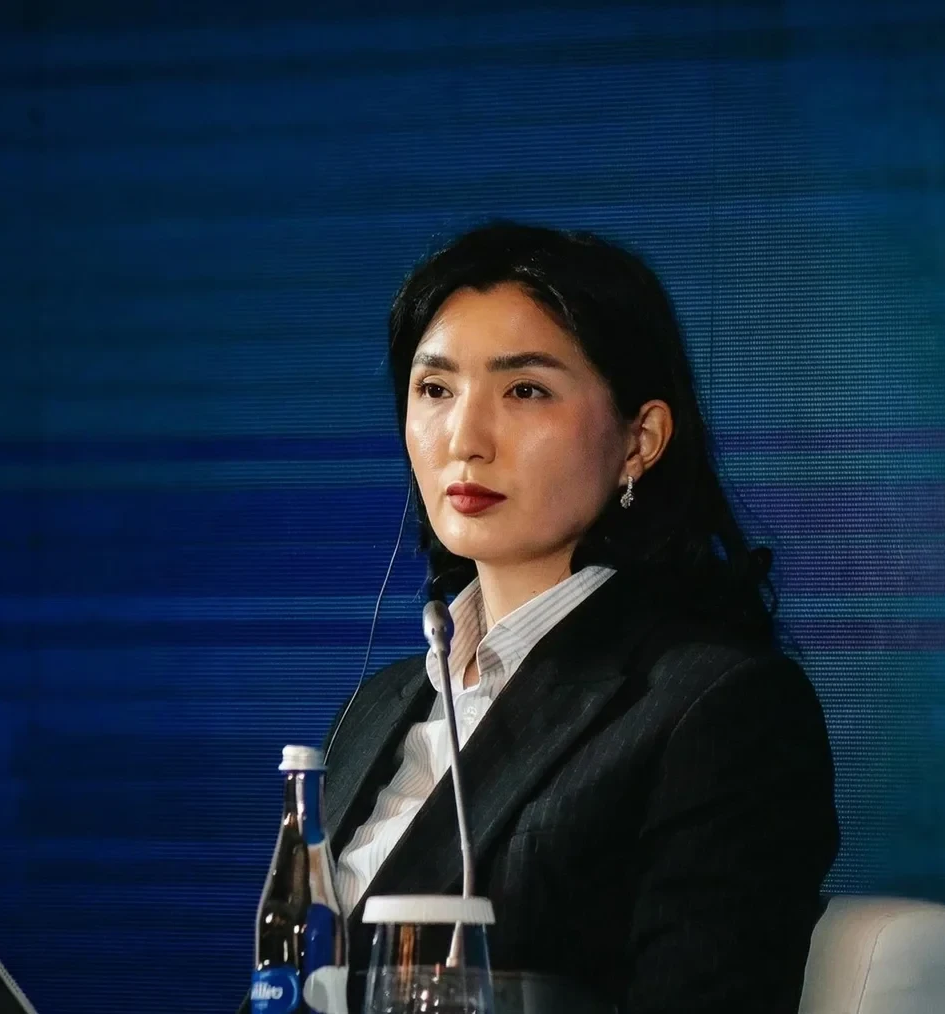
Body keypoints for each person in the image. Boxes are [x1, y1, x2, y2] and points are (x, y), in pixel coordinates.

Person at [317, 222, 837, 1014]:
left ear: (640, 440)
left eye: (525, 390)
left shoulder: (718, 708)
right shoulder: (377, 707)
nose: (465, 439)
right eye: (435, 389)